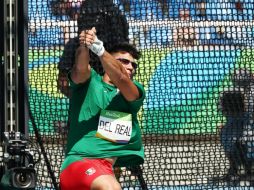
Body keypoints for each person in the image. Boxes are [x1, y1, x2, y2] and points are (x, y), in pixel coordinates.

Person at [59, 27, 145, 190]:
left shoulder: (132, 92)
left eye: (133, 64)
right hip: (81, 163)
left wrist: (99, 48)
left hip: (105, 169)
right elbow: (80, 68)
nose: (130, 67)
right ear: (108, 62)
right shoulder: (90, 83)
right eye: (124, 61)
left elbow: (121, 78)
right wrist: (85, 45)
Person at [217, 68, 254, 183]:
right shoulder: (243, 91)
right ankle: (235, 171)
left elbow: (249, 115)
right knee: (227, 136)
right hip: (242, 124)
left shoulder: (251, 92)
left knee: (246, 140)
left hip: (248, 127)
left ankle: (249, 171)